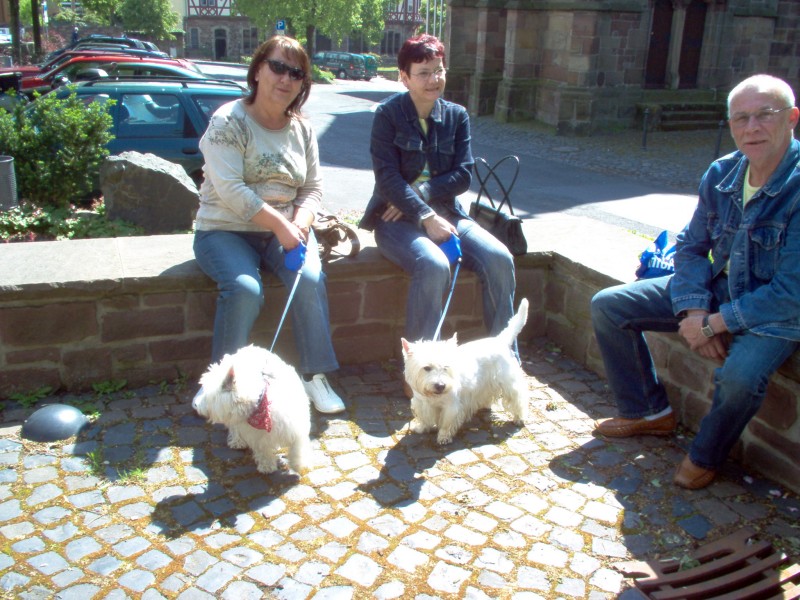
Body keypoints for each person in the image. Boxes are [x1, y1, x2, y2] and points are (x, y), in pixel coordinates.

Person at [591, 74, 800, 489]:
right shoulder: (723, 172)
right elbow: (689, 247)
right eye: (740, 118)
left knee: (739, 378)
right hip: (718, 291)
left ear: (792, 118)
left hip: (776, 311)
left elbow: (791, 292)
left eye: (764, 115)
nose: (751, 128)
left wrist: (713, 325)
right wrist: (694, 310)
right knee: (608, 305)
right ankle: (649, 412)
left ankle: (707, 455)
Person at [193, 35, 345, 414]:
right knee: (244, 289)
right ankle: (219, 385)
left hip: (286, 229)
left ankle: (314, 376)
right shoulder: (228, 121)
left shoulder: (302, 129)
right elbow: (230, 188)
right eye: (278, 67)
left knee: (309, 278)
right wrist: (281, 225)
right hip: (224, 229)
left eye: (296, 73)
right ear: (258, 70)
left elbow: (312, 187)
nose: (286, 78)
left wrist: (302, 223)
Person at [359, 34, 517, 389]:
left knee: (499, 259)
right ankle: (419, 376)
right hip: (394, 219)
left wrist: (424, 194)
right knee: (433, 264)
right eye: (424, 73)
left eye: (439, 70)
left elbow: (463, 174)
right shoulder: (388, 115)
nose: (434, 80)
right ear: (404, 77)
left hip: (448, 212)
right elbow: (387, 178)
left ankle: (505, 365)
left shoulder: (456, 116)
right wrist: (423, 214)